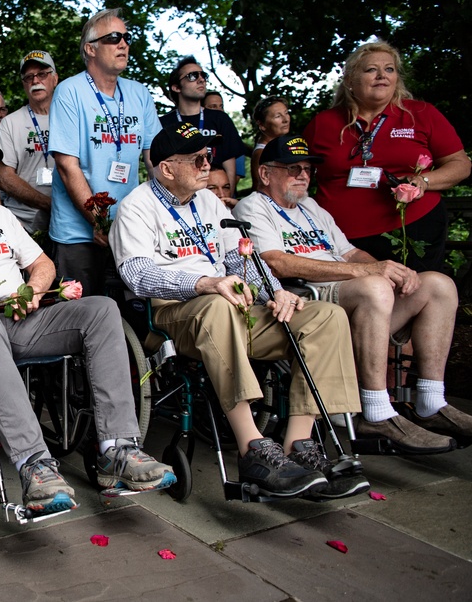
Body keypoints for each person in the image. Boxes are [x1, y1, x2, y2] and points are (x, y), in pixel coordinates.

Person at [0, 132, 175, 515]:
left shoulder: (0, 215)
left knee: (102, 309)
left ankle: (117, 448)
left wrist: (34, 289)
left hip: (22, 319)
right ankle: (35, 465)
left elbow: (43, 264)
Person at [110, 123, 367, 500]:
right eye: (196, 158)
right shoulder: (136, 206)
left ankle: (299, 447)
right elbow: (137, 274)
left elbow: (236, 260)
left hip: (234, 304)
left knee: (326, 317)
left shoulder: (210, 203)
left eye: (208, 156)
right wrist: (205, 284)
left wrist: (276, 293)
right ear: (166, 169)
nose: (206, 165)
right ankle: (253, 449)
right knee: (217, 305)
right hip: (176, 312)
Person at [234, 134, 469, 453]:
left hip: (355, 295)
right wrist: (366, 273)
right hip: (308, 299)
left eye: (307, 168)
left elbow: (348, 252)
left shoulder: (311, 207)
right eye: (292, 168)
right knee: (373, 286)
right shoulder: (253, 206)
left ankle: (430, 400)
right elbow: (275, 262)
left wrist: (390, 270)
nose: (303, 174)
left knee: (438, 285)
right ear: (265, 174)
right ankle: (375, 411)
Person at [304, 40, 470, 273]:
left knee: (416, 294)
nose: (382, 75)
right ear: (350, 80)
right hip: (340, 236)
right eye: (371, 69)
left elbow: (460, 164)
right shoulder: (323, 123)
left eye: (389, 69)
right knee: (362, 301)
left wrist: (424, 180)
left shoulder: (422, 114)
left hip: (411, 227)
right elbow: (297, 174)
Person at [48, 7, 161, 296]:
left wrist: (165, 213)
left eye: (126, 37)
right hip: (80, 233)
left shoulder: (139, 93)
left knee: (134, 314)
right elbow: (66, 166)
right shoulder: (69, 91)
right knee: (82, 317)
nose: (123, 43)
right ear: (91, 48)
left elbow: (156, 159)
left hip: (133, 228)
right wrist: (100, 221)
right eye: (113, 37)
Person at [0, 50, 59, 234]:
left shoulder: (71, 117)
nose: (35, 81)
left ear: (55, 79)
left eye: (42, 74)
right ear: (24, 84)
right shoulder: (10, 123)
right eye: (29, 77)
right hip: (22, 222)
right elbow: (6, 178)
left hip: (67, 221)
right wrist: (49, 204)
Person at [160, 56, 243, 190]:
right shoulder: (163, 123)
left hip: (215, 194)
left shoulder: (220, 119)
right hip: (179, 195)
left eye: (203, 75)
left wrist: (226, 198)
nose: (201, 79)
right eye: (192, 76)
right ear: (176, 87)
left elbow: (229, 165)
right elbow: (157, 166)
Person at [249, 96, 291, 191]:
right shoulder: (262, 153)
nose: (286, 120)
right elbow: (262, 189)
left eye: (286, 113)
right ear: (262, 125)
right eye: (278, 116)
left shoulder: (278, 147)